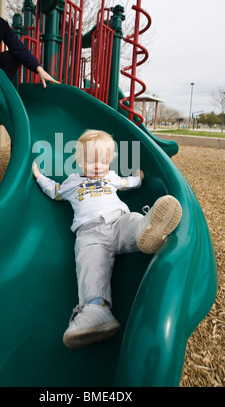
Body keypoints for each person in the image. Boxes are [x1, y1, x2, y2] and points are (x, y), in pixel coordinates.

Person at [32, 129, 182, 349]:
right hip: (91, 232)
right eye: (91, 161)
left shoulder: (110, 177)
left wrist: (139, 179)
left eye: (103, 161)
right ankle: (96, 310)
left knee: (133, 221)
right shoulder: (72, 182)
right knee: (89, 261)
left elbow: (126, 183)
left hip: (118, 221)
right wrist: (38, 176)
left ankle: (147, 228)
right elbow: (55, 191)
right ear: (79, 161)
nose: (98, 166)